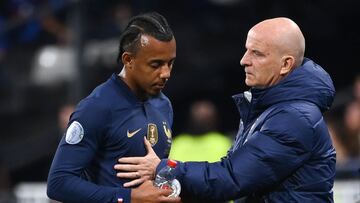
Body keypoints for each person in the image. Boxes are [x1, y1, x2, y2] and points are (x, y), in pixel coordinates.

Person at [115, 17, 336, 202]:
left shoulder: (295, 118)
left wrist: (163, 168)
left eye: (257, 53)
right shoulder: (268, 111)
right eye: (247, 50)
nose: (244, 60)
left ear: (286, 64)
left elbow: (232, 178)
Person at [47, 12, 181, 203]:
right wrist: (128, 198)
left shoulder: (164, 105)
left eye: (170, 63)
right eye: (156, 64)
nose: (166, 73)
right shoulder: (96, 107)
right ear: (128, 60)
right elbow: (58, 183)